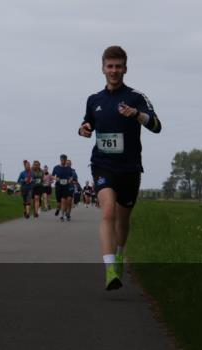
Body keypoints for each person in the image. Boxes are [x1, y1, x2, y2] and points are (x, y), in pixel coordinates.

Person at [79, 45, 162, 290]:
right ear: (102, 68)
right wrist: (83, 129)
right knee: (107, 213)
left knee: (123, 220)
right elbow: (87, 124)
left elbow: (157, 126)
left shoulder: (137, 97)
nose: (114, 71)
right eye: (110, 66)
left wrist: (137, 115)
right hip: (103, 165)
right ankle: (110, 270)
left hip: (130, 168)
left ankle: (119, 253)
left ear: (125, 68)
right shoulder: (94, 100)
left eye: (118, 66)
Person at [52, 155, 75, 221]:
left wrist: (70, 180)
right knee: (59, 202)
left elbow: (71, 176)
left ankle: (62, 215)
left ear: (66, 160)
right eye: (62, 160)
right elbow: (52, 176)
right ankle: (58, 209)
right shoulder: (56, 167)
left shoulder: (68, 168)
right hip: (58, 186)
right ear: (60, 160)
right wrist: (56, 178)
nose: (63, 161)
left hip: (66, 186)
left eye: (64, 160)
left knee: (64, 200)